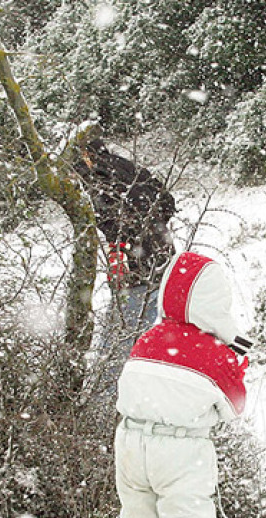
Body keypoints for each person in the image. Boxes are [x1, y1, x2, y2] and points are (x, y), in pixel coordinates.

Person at [113, 251, 253, 518]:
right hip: (178, 449)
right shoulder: (210, 352)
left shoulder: (150, 337)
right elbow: (233, 406)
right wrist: (234, 361)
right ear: (213, 302)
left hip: (128, 442)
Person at [73, 136, 177, 386]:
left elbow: (110, 221)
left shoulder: (97, 177)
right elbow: (167, 202)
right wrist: (153, 227)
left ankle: (107, 401)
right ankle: (155, 388)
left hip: (134, 266)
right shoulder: (127, 167)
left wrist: (122, 245)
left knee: (119, 339)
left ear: (85, 155)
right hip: (163, 257)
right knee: (156, 331)